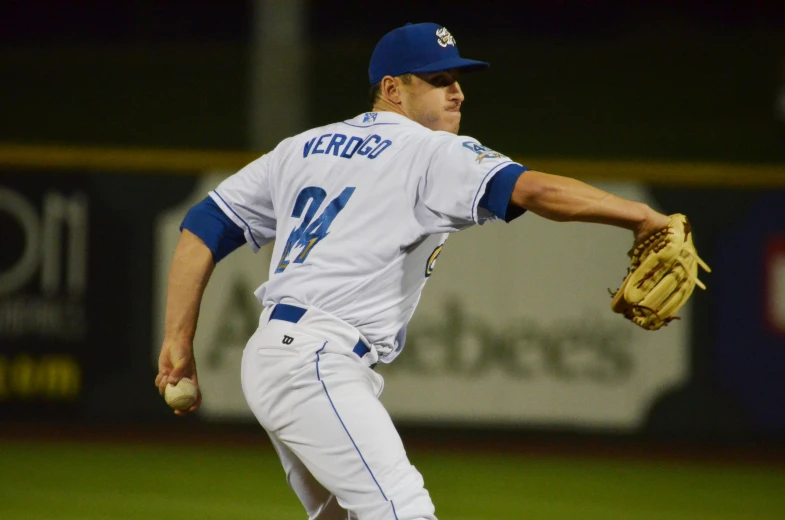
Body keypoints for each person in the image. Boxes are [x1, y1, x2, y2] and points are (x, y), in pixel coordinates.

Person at [155, 22, 670, 520]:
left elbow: (204, 225)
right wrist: (642, 216)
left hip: (281, 356)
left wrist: (178, 340)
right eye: (439, 80)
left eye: (458, 79)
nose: (458, 93)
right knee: (402, 508)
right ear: (392, 89)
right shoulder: (430, 150)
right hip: (314, 359)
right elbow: (535, 190)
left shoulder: (302, 147)